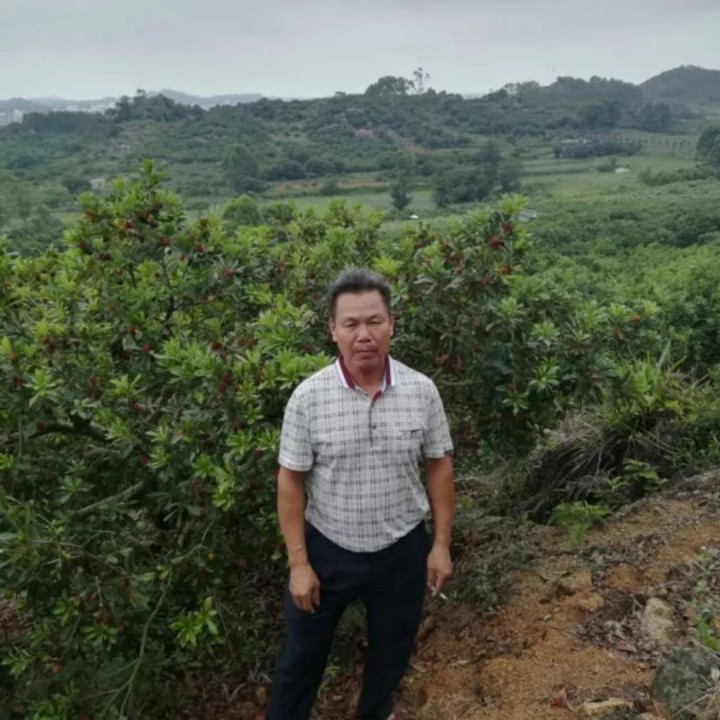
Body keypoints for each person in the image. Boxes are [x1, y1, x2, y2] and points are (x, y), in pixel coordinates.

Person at [266, 268, 455, 720]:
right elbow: (290, 481)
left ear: (391, 324)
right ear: (333, 330)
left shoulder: (421, 391)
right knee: (300, 660)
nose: (363, 335)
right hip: (327, 550)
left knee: (391, 653)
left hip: (401, 550)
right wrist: (298, 564)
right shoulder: (308, 398)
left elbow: (439, 464)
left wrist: (441, 544)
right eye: (351, 324)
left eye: (374, 321)